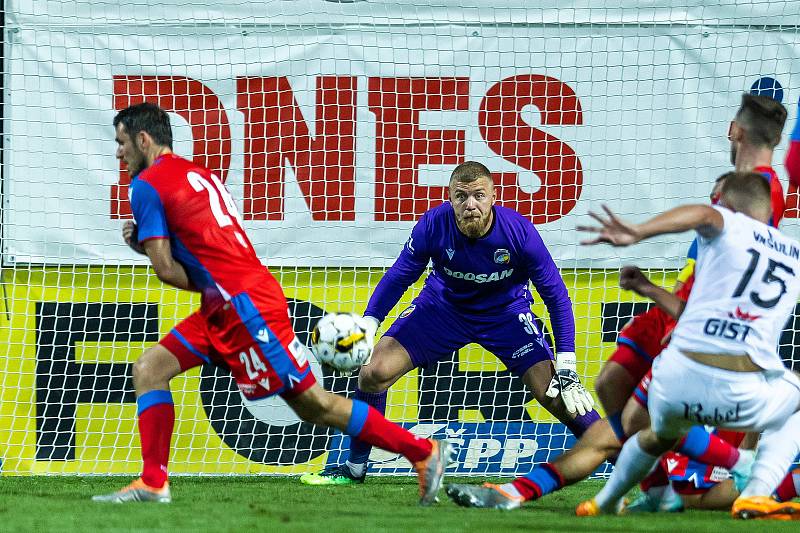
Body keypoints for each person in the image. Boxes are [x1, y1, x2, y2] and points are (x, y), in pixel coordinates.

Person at [445, 93, 791, 511]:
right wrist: (651, 290)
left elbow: (715, 229)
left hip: (701, 335)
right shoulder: (745, 193)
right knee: (612, 387)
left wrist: (638, 233)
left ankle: (519, 492)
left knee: (631, 433)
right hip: (680, 316)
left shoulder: (759, 191)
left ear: (736, 130)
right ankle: (666, 483)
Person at [92, 102, 450, 504]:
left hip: (245, 309)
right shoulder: (200, 175)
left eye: (121, 142)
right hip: (230, 301)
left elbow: (167, 270)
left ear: (143, 139)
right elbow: (216, 253)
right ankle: (153, 482)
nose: (119, 153)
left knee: (316, 406)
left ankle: (423, 452)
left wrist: (141, 246)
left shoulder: (146, 184)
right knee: (149, 369)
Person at [301, 161, 599, 485]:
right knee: (373, 372)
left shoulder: (520, 233)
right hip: (442, 309)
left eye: (479, 196)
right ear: (450, 198)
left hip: (507, 315)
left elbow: (556, 296)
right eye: (461, 196)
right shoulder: (433, 224)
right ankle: (355, 468)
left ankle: (632, 466)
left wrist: (567, 362)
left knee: (558, 394)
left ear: (493, 197)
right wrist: (371, 322)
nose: (470, 205)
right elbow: (401, 274)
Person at [575, 171, 800, 520]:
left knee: (651, 433)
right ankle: (756, 492)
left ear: (726, 204)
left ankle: (607, 500)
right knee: (793, 400)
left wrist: (639, 231)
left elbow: (701, 214)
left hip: (677, 382)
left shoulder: (725, 231)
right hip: (742, 396)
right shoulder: (794, 254)